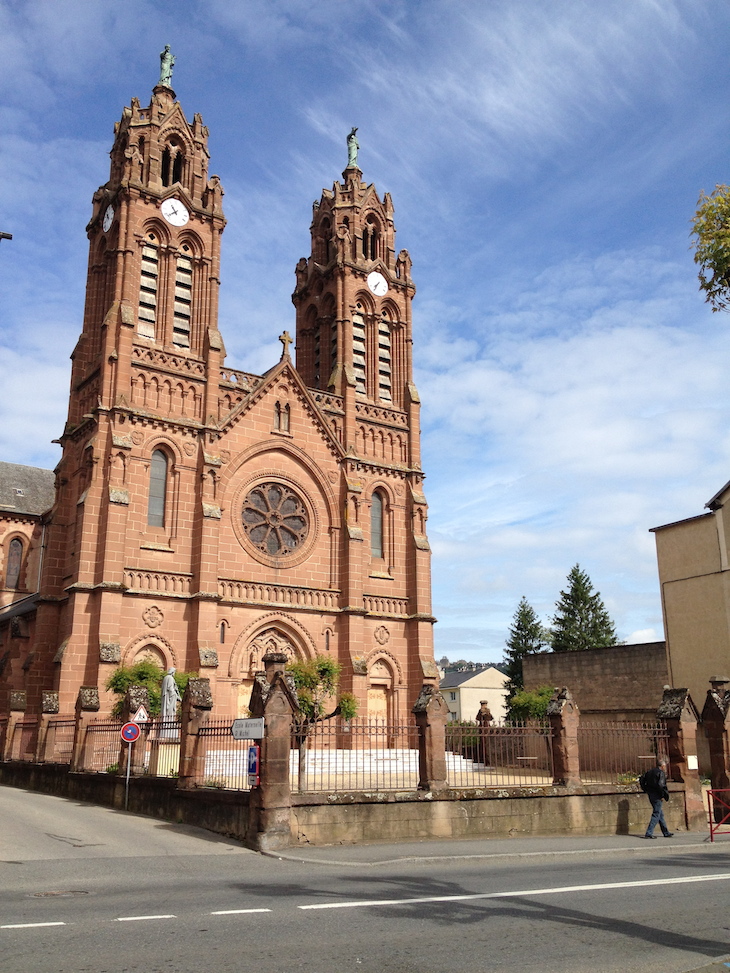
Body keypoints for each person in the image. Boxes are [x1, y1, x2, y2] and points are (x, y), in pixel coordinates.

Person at [642, 757, 673, 838]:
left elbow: (642, 779)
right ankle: (649, 833)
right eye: (665, 766)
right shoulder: (661, 773)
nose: (665, 767)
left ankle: (666, 832)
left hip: (651, 794)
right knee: (656, 814)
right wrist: (663, 795)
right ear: (662, 766)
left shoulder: (649, 772)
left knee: (660, 814)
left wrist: (645, 789)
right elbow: (661, 785)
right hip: (657, 795)